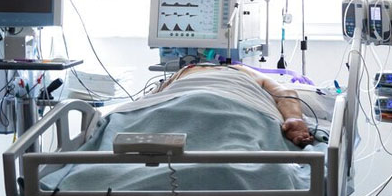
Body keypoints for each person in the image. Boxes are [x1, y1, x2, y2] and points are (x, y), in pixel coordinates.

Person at [127, 63, 314, 147]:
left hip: (230, 104)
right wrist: (293, 117)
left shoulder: (242, 71)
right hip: (178, 101)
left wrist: (294, 119)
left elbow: (285, 93)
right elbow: (147, 102)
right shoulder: (182, 73)